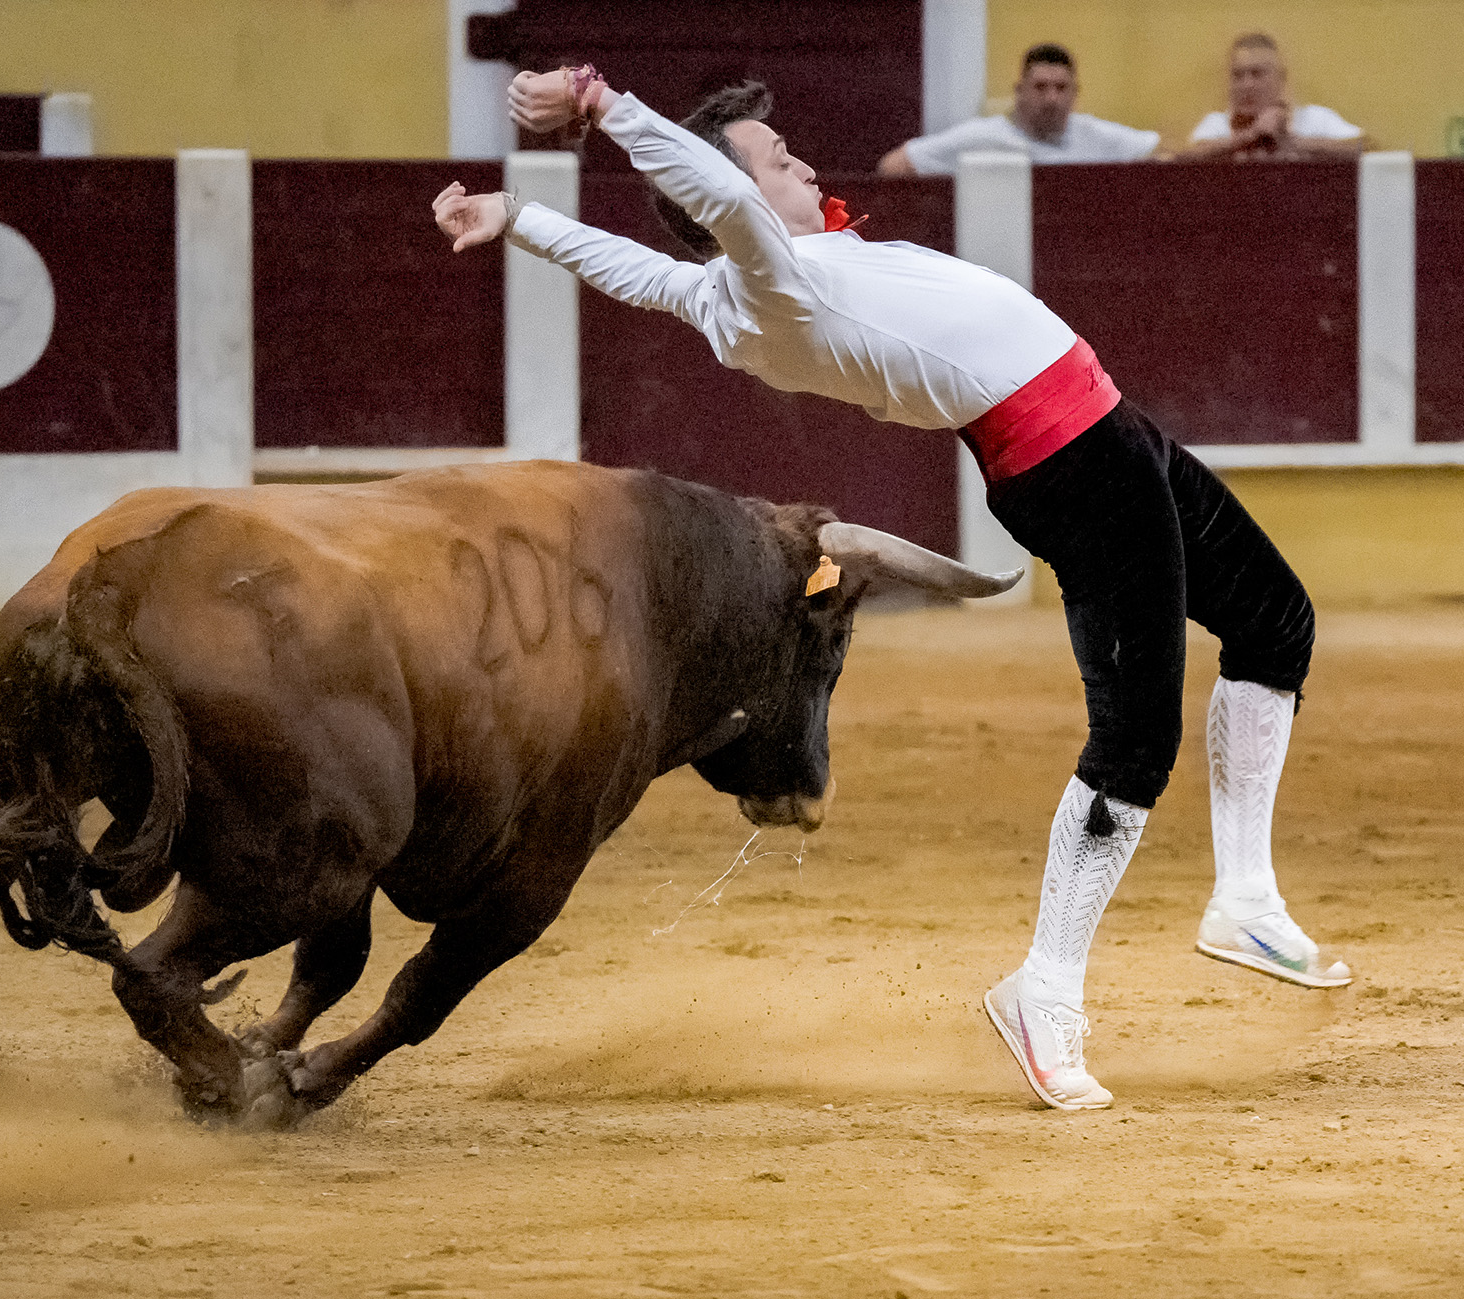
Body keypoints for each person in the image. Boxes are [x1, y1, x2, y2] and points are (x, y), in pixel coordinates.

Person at [433, 65, 1350, 1113]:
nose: (803, 165)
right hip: (1072, 464)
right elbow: (718, 203)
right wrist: (603, 108)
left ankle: (1243, 896)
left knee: (1273, 621)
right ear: (717, 198)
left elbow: (631, 270)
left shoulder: (740, 287)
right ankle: (1042, 994)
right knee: (1132, 741)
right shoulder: (771, 282)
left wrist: (514, 215)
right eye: (777, 159)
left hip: (1105, 430)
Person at [878, 43, 1158, 175]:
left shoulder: (1096, 135)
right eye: (1040, 87)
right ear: (1019, 91)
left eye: (1061, 88)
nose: (1051, 99)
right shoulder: (981, 137)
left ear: (1075, 94)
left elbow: (1162, 156)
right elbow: (893, 166)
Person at [1176, 33, 1364, 161]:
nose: (1246, 84)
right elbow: (1181, 158)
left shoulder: (1315, 118)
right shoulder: (1217, 124)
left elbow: (1367, 149)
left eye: (1257, 74)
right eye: (1237, 75)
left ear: (1281, 79)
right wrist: (1249, 137)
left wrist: (1291, 142)